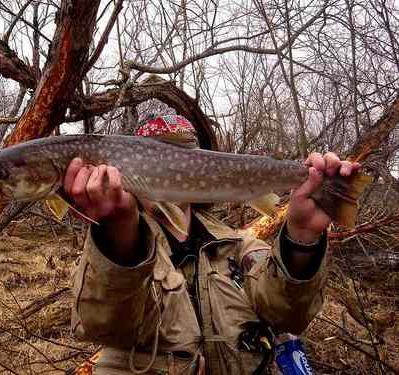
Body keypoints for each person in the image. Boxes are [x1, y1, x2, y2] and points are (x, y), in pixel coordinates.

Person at [66, 115, 360, 374]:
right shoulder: (110, 249)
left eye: (179, 156)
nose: (170, 166)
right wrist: (119, 233)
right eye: (159, 155)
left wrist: (302, 235)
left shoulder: (242, 246)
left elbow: (288, 315)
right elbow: (101, 325)